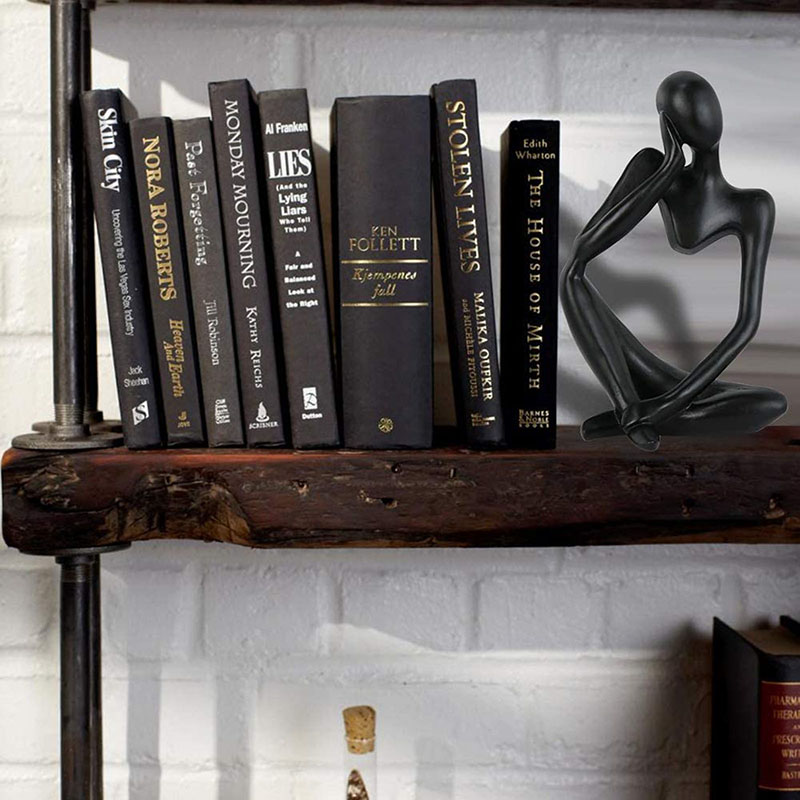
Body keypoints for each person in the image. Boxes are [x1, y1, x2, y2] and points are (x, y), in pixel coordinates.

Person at [560, 70, 787, 451]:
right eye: (688, 110)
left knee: (771, 403)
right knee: (570, 279)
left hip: (687, 386)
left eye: (707, 105)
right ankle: (627, 407)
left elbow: (747, 324)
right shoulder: (652, 168)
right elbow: (583, 251)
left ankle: (637, 417)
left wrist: (671, 401)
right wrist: (666, 170)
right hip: (638, 367)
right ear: (670, 125)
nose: (704, 117)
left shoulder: (753, 205)